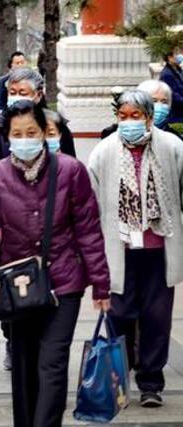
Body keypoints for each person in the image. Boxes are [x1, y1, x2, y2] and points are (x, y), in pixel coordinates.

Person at [0, 100, 111, 427]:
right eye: (17, 133)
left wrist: (101, 284)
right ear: (8, 137)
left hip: (64, 284)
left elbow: (88, 230)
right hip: (19, 287)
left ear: (43, 133)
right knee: (25, 366)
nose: (25, 139)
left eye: (32, 132)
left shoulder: (70, 170)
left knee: (52, 363)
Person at [88, 89, 183, 408]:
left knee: (157, 318)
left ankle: (151, 382)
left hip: (159, 248)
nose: (129, 122)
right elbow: (91, 202)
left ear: (148, 116)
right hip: (120, 249)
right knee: (120, 315)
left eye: (136, 116)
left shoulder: (171, 147)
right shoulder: (103, 152)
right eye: (123, 116)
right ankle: (120, 374)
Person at [0, 68, 76, 159]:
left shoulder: (55, 126)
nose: (16, 98)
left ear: (38, 95)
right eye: (12, 93)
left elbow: (71, 165)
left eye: (22, 93)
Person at [0, 51, 27, 116]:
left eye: (22, 62)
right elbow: (1, 104)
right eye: (17, 63)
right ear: (11, 65)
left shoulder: (33, 79)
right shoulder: (4, 81)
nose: (20, 65)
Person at [159, 50, 183, 124]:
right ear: (169, 57)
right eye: (176, 54)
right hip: (176, 114)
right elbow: (172, 94)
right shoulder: (166, 74)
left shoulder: (178, 70)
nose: (180, 56)